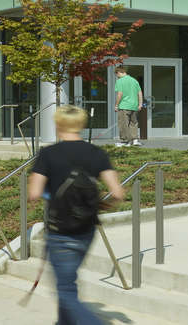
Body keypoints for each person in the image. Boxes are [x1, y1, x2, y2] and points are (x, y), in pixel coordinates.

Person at [28, 105, 125, 325]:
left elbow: (34, 193)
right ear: (81, 124)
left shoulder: (48, 154)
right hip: (86, 230)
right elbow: (118, 192)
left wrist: (50, 193)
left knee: (65, 291)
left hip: (60, 231)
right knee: (67, 284)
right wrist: (100, 204)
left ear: (58, 124)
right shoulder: (97, 153)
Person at [114, 68, 142, 146]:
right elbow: (139, 93)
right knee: (133, 123)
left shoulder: (120, 81)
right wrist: (140, 104)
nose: (117, 77)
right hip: (134, 105)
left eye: (117, 75)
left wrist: (116, 105)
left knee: (123, 123)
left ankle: (126, 141)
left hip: (124, 106)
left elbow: (120, 94)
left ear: (119, 72)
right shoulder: (134, 80)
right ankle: (135, 140)